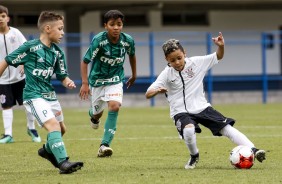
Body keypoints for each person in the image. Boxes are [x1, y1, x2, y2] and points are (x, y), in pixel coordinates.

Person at [145, 32, 266, 169]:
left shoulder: (197, 63)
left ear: (185, 53)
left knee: (227, 128)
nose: (177, 62)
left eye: (179, 58)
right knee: (189, 130)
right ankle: (194, 156)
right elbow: (148, 94)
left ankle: (254, 150)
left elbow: (218, 56)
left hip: (202, 108)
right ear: (167, 59)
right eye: (173, 60)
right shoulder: (166, 74)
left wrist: (221, 46)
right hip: (180, 112)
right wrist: (156, 91)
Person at [0, 11, 83, 174]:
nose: (63, 32)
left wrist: (67, 81)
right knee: (53, 126)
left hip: (50, 96)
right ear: (47, 28)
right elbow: (7, 60)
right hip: (33, 96)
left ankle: (46, 150)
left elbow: (62, 75)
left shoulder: (58, 52)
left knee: (62, 129)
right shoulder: (30, 48)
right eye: (60, 28)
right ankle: (63, 163)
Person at [79, 10, 137, 157]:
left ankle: (104, 145)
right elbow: (85, 61)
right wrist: (85, 83)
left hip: (116, 79)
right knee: (97, 113)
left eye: (119, 24)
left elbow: (132, 55)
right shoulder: (99, 40)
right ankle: (93, 115)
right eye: (112, 24)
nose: (116, 27)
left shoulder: (127, 40)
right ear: (106, 26)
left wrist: (134, 74)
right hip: (97, 81)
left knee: (114, 106)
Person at [0, 5, 41, 143]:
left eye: (3, 16)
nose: (0, 19)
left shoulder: (15, 33)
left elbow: (26, 48)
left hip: (20, 77)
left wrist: (23, 64)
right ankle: (8, 134)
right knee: (6, 105)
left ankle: (31, 128)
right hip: (3, 79)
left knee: (28, 102)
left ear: (8, 18)